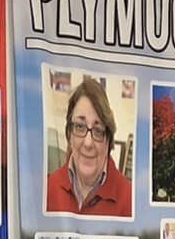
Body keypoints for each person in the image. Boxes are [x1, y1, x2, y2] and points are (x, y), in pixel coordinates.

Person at [44, 75, 132, 217]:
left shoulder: (129, 200)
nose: (88, 143)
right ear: (69, 134)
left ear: (108, 140)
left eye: (98, 131)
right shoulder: (47, 189)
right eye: (80, 126)